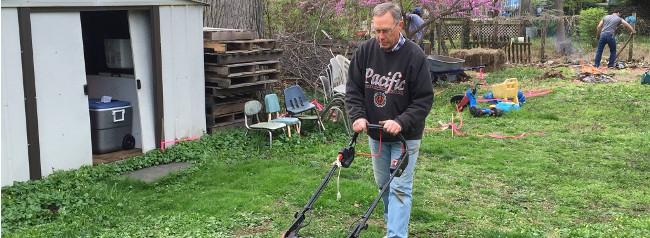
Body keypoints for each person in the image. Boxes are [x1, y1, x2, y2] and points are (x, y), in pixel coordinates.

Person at [345, 2, 434, 237]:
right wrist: (358, 116)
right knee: (384, 186)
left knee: (400, 188)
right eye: (376, 31)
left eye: (385, 31)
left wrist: (401, 121)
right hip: (377, 136)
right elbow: (353, 89)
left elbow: (423, 100)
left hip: (406, 136)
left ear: (400, 25)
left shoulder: (415, 56)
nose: (380, 36)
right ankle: (392, 225)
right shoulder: (365, 52)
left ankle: (395, 234)